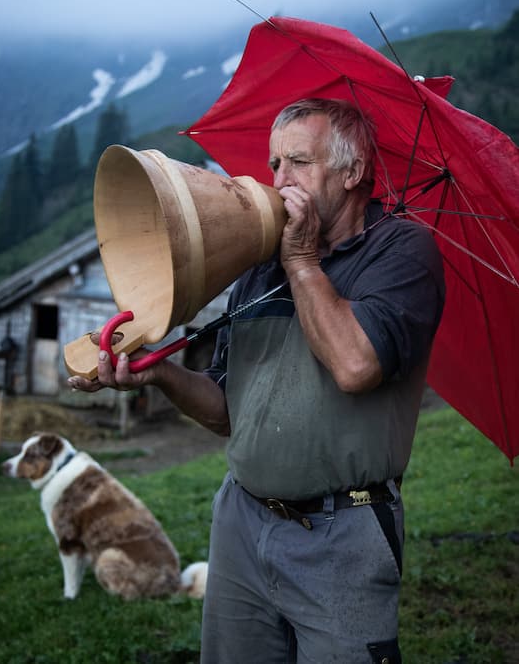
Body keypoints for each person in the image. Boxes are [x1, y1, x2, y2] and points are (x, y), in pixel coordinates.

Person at [68, 98, 445, 664]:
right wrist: (160, 372)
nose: (277, 180)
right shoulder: (260, 266)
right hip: (243, 521)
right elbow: (225, 409)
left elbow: (355, 364)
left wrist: (301, 262)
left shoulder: (402, 251)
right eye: (273, 165)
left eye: (298, 162)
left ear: (353, 172)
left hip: (342, 532)